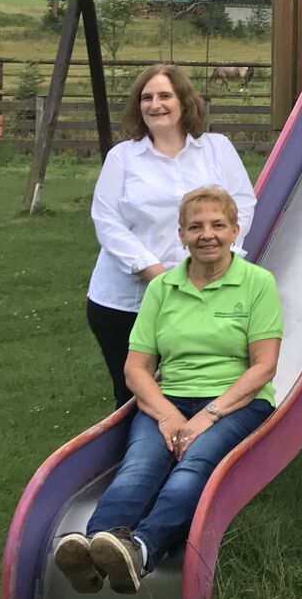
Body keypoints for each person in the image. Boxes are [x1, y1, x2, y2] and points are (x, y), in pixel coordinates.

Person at [53, 187, 281, 594]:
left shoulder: (256, 283)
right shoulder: (163, 288)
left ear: (235, 231)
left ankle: (141, 549)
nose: (206, 234)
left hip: (234, 403)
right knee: (139, 467)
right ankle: (95, 549)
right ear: (181, 235)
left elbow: (264, 366)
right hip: (170, 398)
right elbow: (136, 368)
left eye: (217, 225)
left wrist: (209, 414)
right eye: (195, 227)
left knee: (194, 464)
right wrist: (166, 413)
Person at [86, 63, 255, 407]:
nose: (155, 104)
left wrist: (218, 261)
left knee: (197, 390)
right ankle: (131, 460)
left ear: (184, 102)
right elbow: (107, 221)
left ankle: (193, 457)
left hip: (204, 295)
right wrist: (156, 273)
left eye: (164, 95)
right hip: (127, 302)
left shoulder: (217, 149)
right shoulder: (123, 157)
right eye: (146, 97)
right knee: (135, 395)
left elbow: (242, 207)